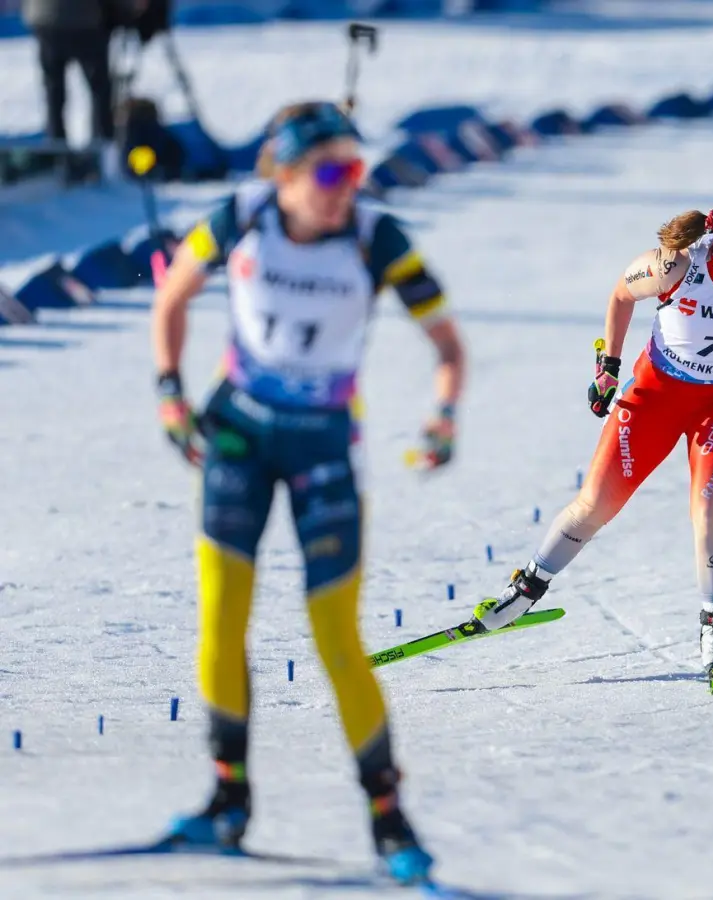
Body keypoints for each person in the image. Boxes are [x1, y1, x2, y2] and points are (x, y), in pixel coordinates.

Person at [148, 101, 463, 883]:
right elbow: (172, 295)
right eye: (329, 172)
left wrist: (442, 419)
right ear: (283, 176)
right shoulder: (239, 217)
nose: (344, 187)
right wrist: (169, 395)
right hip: (237, 436)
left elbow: (448, 346)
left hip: (323, 444)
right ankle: (228, 802)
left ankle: (390, 821)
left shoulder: (375, 236)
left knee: (336, 637)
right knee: (221, 618)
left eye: (355, 170)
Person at [467, 198, 713, 693]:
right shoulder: (676, 266)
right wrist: (608, 367)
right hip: (654, 396)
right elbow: (622, 295)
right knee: (595, 505)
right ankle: (524, 591)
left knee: (711, 512)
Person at [22, 0, 133, 149]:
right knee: (99, 90)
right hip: (85, 20)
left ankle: (57, 147)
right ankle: (101, 146)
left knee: (54, 90)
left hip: (45, 17)